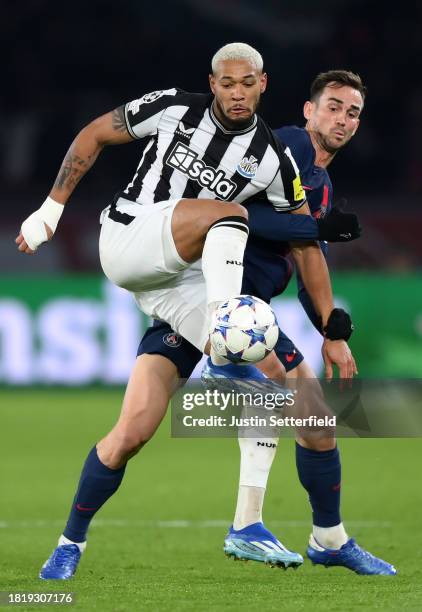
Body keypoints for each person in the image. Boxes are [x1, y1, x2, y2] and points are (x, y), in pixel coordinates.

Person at [17, 44, 357, 579]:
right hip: (130, 240)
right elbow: (94, 134)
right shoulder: (176, 108)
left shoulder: (273, 158)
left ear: (262, 84)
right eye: (227, 83)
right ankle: (227, 350)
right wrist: (50, 209)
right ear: (213, 82)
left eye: (248, 83)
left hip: (181, 284)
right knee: (230, 215)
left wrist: (332, 326)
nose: (237, 92)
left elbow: (306, 244)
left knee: (143, 426)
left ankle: (71, 544)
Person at [135, 71, 396, 575]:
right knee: (142, 428)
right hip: (213, 301)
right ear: (308, 110)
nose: (342, 119)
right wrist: (315, 229)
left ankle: (325, 538)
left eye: (353, 113)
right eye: (334, 107)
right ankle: (251, 527)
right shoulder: (289, 148)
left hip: (249, 315)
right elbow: (243, 215)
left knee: (315, 424)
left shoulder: (319, 181)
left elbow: (307, 258)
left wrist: (332, 333)